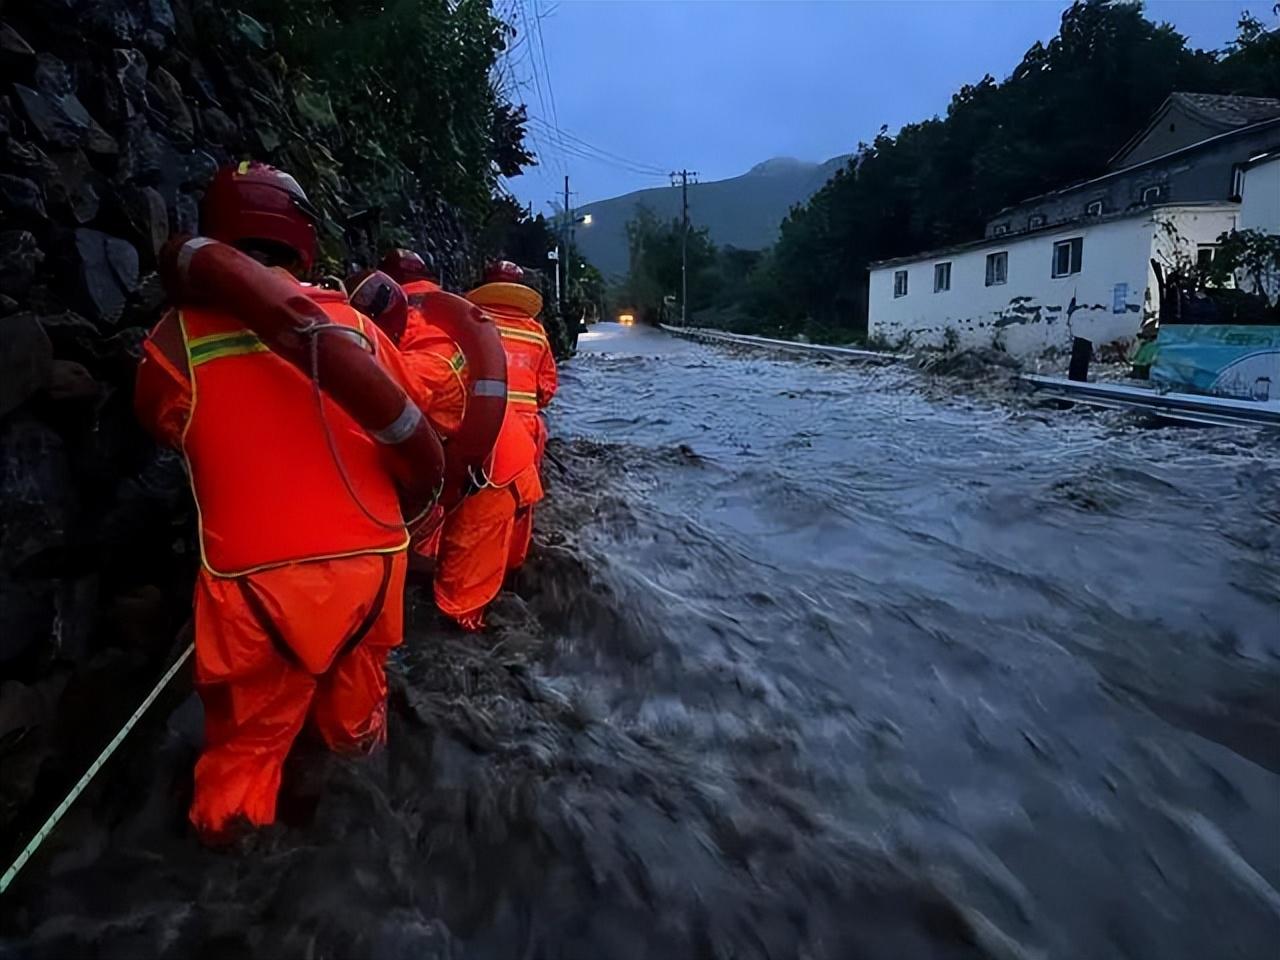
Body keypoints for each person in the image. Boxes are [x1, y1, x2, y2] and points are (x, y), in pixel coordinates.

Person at [133, 162, 444, 841]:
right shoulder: (357, 327)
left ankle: (237, 860)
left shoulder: (175, 338)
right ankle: (361, 835)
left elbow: (160, 419)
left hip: (256, 589)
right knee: (354, 731)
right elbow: (410, 416)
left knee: (245, 761)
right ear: (302, 239)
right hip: (372, 570)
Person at [381, 252, 542, 631]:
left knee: (461, 608)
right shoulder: (447, 323)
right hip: (511, 456)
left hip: (491, 480)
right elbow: (546, 387)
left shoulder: (422, 347)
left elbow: (399, 389)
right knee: (499, 575)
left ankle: (482, 649)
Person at [466, 261, 557, 569]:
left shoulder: (471, 323)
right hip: (526, 431)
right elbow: (547, 388)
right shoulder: (537, 334)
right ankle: (514, 562)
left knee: (472, 503)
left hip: (480, 426)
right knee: (520, 500)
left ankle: (474, 570)